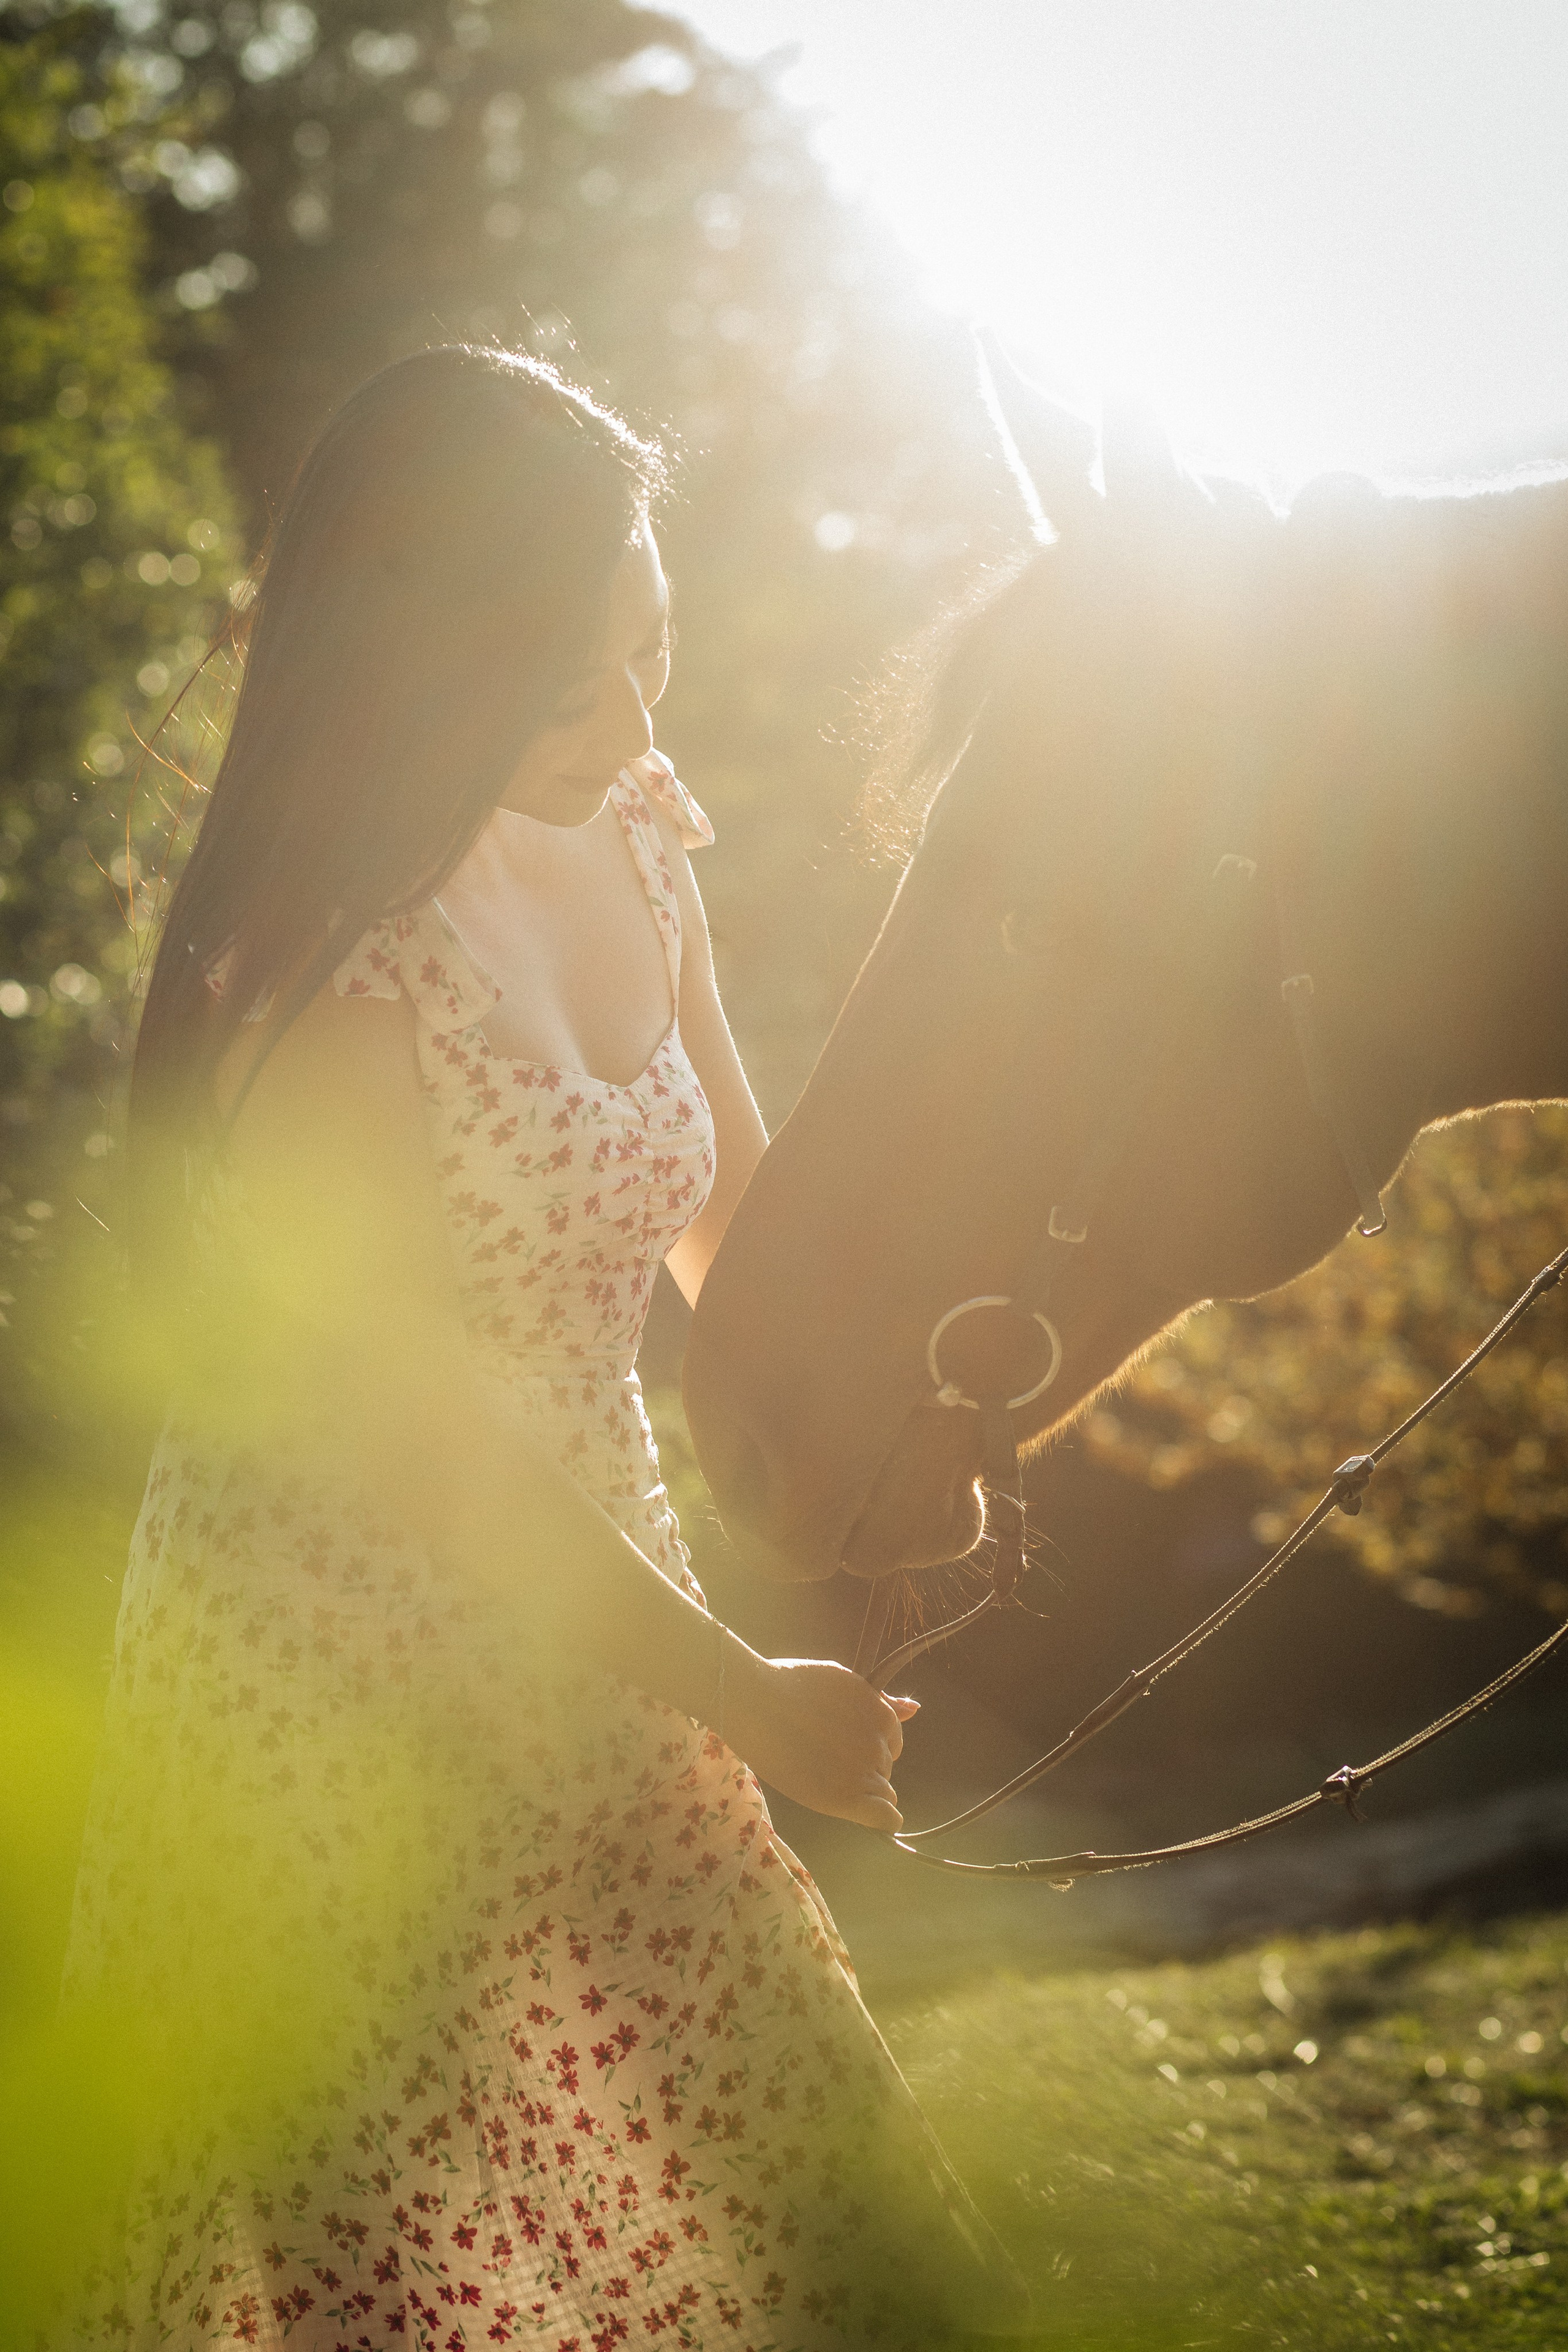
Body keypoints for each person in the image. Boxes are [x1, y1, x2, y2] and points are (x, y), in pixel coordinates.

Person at [61, 346, 1020, 2350]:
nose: (635, 710)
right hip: (329, 1725)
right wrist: (744, 1690)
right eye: (573, 677)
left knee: (817, 2234)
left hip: (616, 1646)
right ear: (426, 665)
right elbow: (418, 1451)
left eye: (653, 641)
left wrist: (911, 1416)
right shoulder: (315, 968)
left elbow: (723, 1221)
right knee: (434, 2285)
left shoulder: (640, 832)